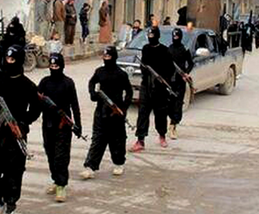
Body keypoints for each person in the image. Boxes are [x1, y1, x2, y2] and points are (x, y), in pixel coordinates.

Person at [0, 45, 41, 214]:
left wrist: (22, 123)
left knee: (13, 174)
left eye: (13, 59)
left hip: (15, 138)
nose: (9, 62)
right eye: (8, 59)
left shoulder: (28, 85)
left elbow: (35, 110)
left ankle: (10, 208)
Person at [81, 46, 132, 179]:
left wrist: (124, 108)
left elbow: (129, 92)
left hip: (116, 112)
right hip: (101, 111)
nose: (106, 59)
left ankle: (119, 163)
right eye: (105, 56)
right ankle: (90, 167)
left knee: (117, 140)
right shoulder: (99, 71)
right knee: (98, 139)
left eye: (109, 56)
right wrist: (93, 94)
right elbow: (92, 82)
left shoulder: (121, 74)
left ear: (114, 57)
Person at [38, 53, 81, 202]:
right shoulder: (44, 82)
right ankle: (56, 180)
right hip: (48, 124)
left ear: (62, 66)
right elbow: (37, 100)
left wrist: (78, 124)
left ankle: (62, 185)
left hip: (63, 125)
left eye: (56, 66)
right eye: (51, 66)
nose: (53, 68)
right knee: (50, 154)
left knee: (61, 156)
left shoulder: (68, 83)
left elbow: (74, 105)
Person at [130, 27, 175, 152]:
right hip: (146, 86)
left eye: (152, 35)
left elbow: (171, 69)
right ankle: (140, 140)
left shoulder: (165, 50)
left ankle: (162, 136)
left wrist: (162, 79)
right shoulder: (146, 49)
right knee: (143, 113)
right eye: (149, 35)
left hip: (160, 88)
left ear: (157, 36)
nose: (150, 38)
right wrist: (146, 71)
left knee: (160, 113)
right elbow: (143, 65)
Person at [167, 28, 193, 140]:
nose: (175, 38)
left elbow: (190, 64)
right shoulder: (169, 49)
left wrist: (186, 73)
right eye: (174, 36)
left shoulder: (184, 49)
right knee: (169, 104)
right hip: (169, 81)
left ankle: (173, 126)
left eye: (177, 36)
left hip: (180, 81)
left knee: (178, 104)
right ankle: (170, 122)